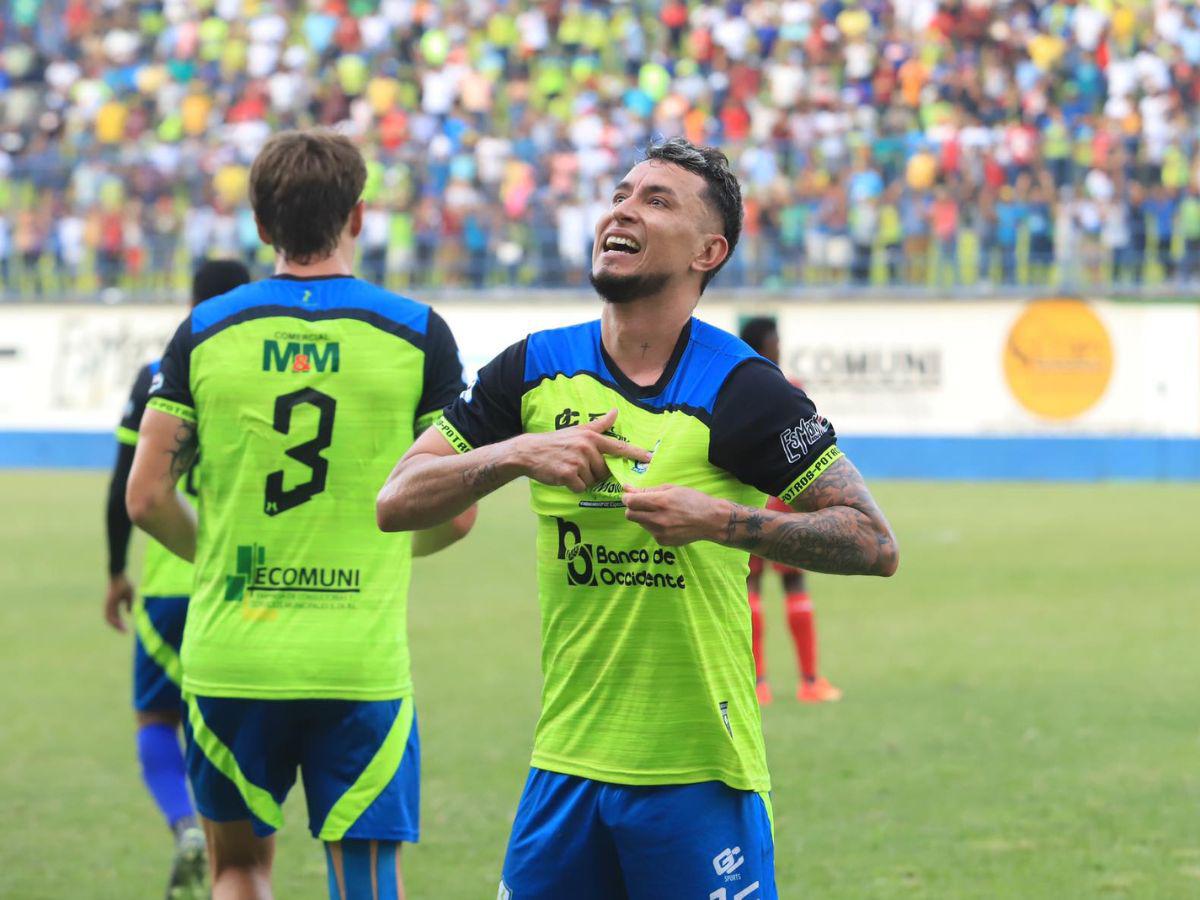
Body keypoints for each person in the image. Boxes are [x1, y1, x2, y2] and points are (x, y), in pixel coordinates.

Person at [377, 137, 898, 899]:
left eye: (656, 200)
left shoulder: (744, 390)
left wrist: (722, 521)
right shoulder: (531, 370)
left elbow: (873, 540)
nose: (622, 209)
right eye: (621, 194)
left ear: (708, 251)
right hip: (564, 769)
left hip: (697, 773)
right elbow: (398, 499)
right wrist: (519, 453)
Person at [126, 130, 475, 900]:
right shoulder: (418, 334)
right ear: (358, 216)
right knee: (370, 878)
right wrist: (370, 547)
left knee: (241, 873)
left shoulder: (206, 331)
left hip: (230, 658)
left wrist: (214, 550)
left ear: (260, 227)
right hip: (358, 663)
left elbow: (145, 497)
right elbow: (454, 515)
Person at [105, 257, 251, 900]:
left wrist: (115, 571)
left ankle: (187, 826)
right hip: (236, 586)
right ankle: (229, 859)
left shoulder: (157, 375)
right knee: (215, 729)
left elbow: (124, 487)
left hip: (167, 583)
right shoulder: (251, 373)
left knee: (154, 721)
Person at [738, 317, 842, 706]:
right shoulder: (788, 387)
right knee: (793, 585)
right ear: (766, 344)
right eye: (776, 339)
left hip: (747, 498)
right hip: (784, 497)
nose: (780, 345)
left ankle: (758, 684)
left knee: (749, 589)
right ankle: (810, 681)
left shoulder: (732, 388)